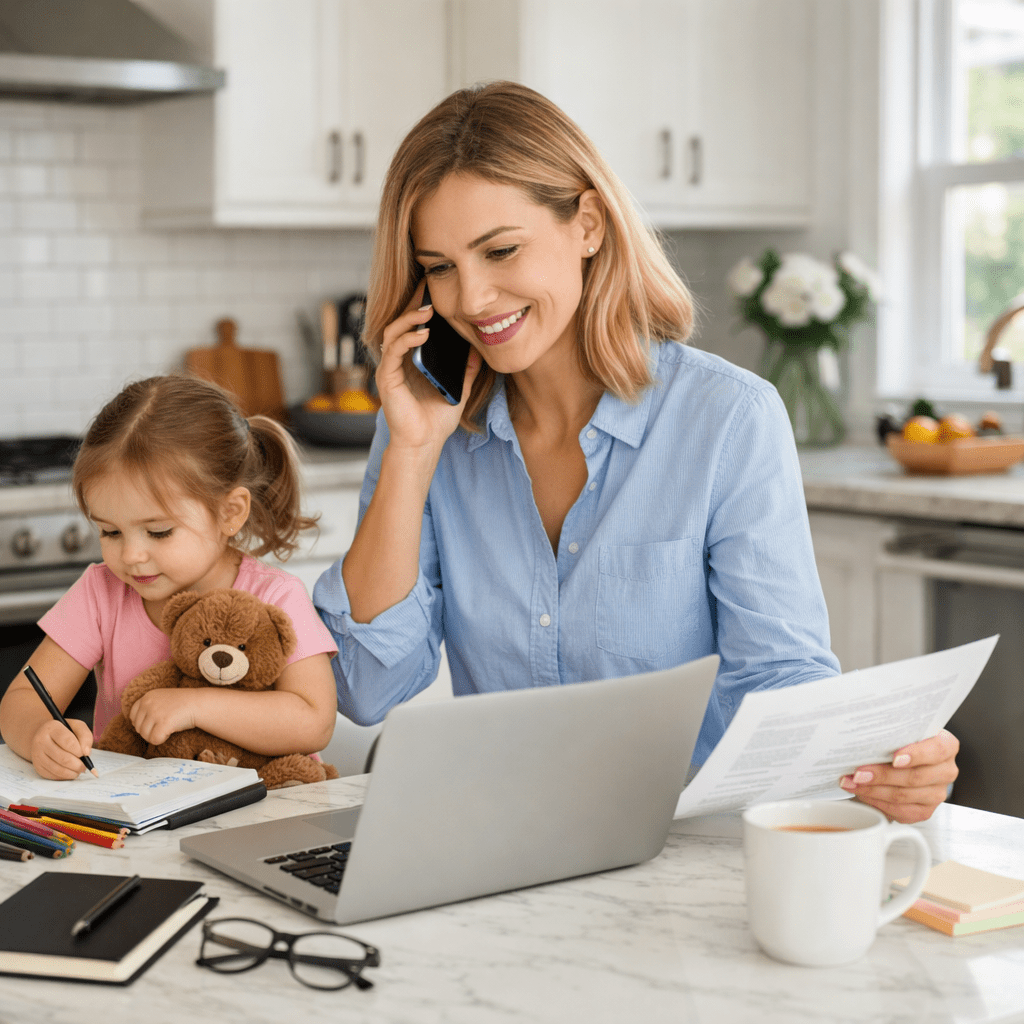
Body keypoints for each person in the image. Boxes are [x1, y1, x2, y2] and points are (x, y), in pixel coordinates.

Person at [313, 80, 959, 824]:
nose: (473, 298)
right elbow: (366, 686)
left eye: (501, 250)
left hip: (684, 846)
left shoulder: (726, 418)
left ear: (587, 223)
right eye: (440, 266)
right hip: (503, 840)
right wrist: (411, 452)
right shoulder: (426, 426)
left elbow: (779, 674)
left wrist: (875, 758)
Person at [0, 375, 338, 780]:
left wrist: (195, 705)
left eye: (159, 532)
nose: (131, 556)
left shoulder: (276, 596)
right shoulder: (102, 592)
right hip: (136, 808)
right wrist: (40, 735)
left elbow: (314, 721)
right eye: (110, 532)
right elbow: (22, 698)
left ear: (230, 513)